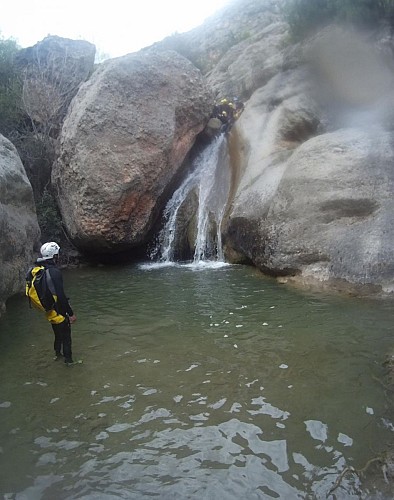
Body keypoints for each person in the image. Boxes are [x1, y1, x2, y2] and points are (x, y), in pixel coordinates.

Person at [34, 241, 77, 365]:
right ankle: (69, 362)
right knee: (66, 338)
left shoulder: (41, 270)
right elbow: (61, 295)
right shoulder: (54, 272)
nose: (58, 256)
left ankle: (58, 355)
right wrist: (71, 313)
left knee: (57, 334)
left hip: (50, 309)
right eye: (57, 254)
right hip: (59, 309)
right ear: (54, 255)